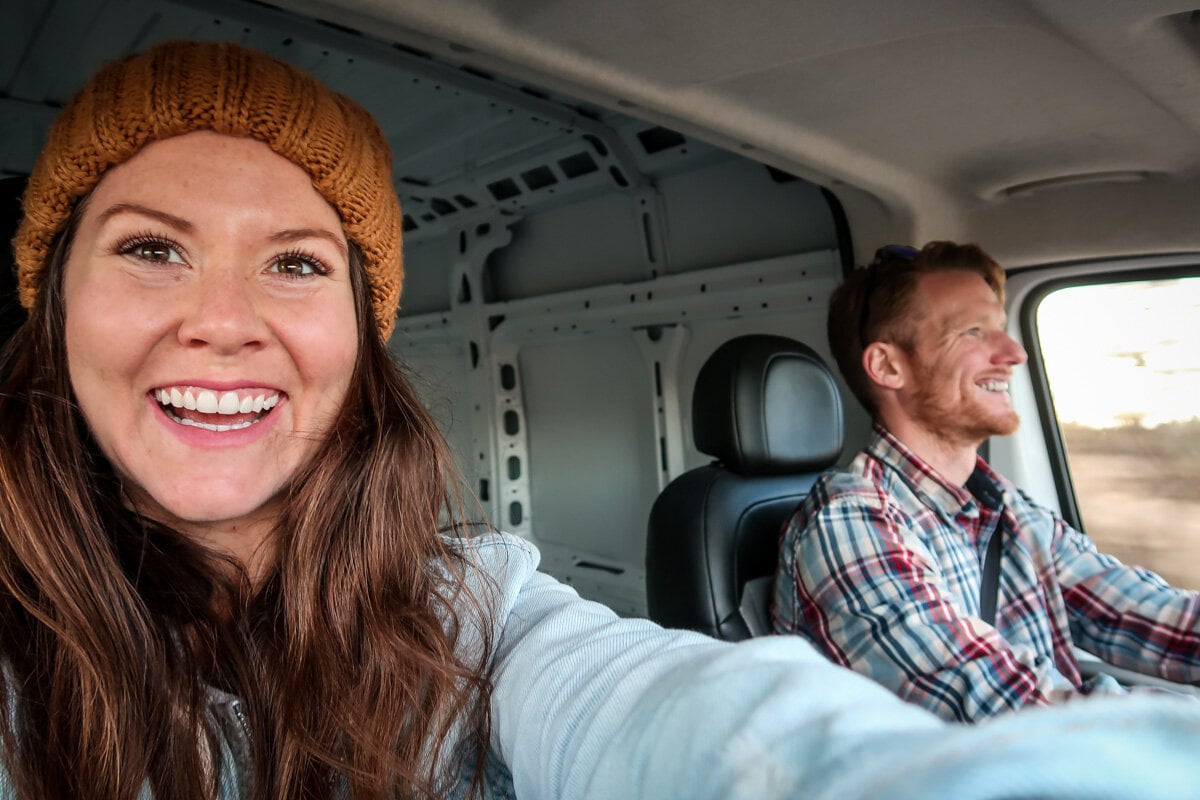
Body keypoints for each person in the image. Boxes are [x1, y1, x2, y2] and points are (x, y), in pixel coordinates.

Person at [1, 41, 1199, 800]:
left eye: (299, 265)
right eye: (151, 249)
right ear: (54, 307)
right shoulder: (850, 525)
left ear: (363, 337)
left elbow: (722, 727)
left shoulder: (480, 609)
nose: (221, 321)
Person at [772, 241, 1200, 723]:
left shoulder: (1002, 506)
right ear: (889, 367)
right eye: (973, 332)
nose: (1013, 352)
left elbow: (1147, 614)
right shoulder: (852, 523)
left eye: (1000, 328)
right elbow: (1015, 712)